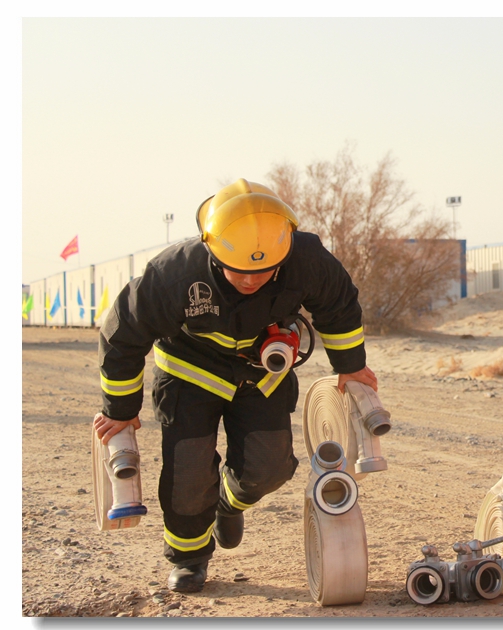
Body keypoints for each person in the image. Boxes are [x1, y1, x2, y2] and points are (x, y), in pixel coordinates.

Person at [93, 179, 377, 592]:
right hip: (190, 373)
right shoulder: (174, 274)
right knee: (189, 473)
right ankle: (190, 557)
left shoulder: (305, 259)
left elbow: (338, 305)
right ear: (211, 250)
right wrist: (120, 411)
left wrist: (351, 366)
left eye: (263, 270)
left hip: (262, 373)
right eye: (240, 270)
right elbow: (123, 335)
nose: (251, 280)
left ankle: (227, 504)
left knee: (269, 468)